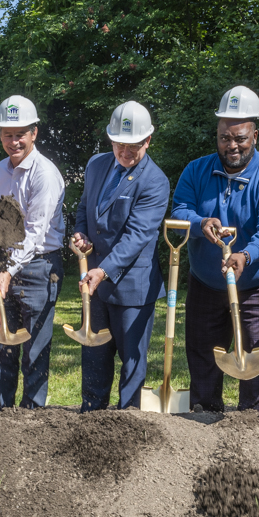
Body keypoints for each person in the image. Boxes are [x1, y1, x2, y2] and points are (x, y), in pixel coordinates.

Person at [170, 86, 259, 412]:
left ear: (255, 134)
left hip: (258, 283)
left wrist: (246, 254)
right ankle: (205, 414)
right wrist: (200, 223)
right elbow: (180, 210)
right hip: (207, 280)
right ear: (217, 133)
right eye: (225, 137)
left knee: (257, 352)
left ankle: (254, 419)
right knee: (202, 351)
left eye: (240, 137)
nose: (232, 145)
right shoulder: (196, 171)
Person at [73, 101, 170, 411]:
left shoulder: (155, 181)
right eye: (119, 144)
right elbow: (83, 207)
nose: (126, 152)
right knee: (95, 356)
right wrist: (80, 233)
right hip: (96, 284)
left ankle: (129, 425)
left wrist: (103, 271)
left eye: (134, 146)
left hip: (133, 287)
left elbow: (137, 236)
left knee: (131, 363)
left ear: (148, 141)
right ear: (110, 139)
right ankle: (91, 419)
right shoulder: (96, 165)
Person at [0, 95, 66, 411]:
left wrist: (8, 270)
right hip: (6, 263)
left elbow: (34, 234)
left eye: (21, 133)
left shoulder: (44, 174)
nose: (14, 141)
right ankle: (1, 413)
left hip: (39, 267)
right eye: (8, 133)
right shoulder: (1, 169)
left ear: (34, 133)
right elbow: (1, 218)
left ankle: (33, 418)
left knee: (35, 349)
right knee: (2, 343)